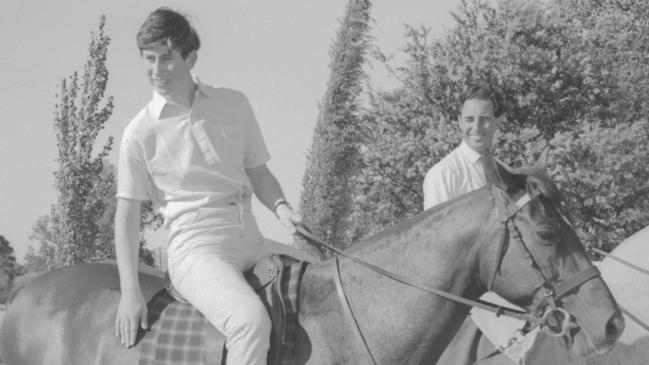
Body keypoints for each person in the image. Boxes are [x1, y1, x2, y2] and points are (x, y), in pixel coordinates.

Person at [113, 8, 302, 365]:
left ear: (191, 58)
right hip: (195, 250)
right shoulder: (138, 133)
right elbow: (127, 216)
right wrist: (129, 291)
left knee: (328, 277)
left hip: (253, 238)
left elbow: (259, 174)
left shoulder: (234, 104)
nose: (156, 71)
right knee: (248, 321)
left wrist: (283, 209)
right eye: (149, 59)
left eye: (167, 59)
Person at [424, 85, 568, 365]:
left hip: (505, 284)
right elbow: (437, 255)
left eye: (485, 119)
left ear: (496, 123)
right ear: (459, 122)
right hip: (467, 297)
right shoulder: (443, 174)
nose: (477, 127)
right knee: (538, 341)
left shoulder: (505, 173)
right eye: (469, 119)